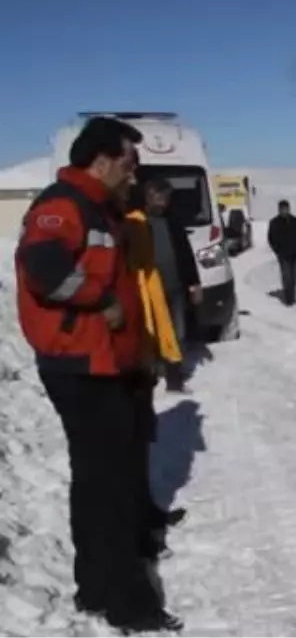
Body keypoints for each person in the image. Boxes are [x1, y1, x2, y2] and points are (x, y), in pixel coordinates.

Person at [14, 116, 184, 633]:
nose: (134, 176)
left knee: (103, 479)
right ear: (103, 159)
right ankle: (127, 602)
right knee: (104, 486)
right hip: (80, 366)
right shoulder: (63, 205)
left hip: (110, 363)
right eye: (129, 165)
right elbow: (43, 271)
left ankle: (94, 585)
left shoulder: (102, 209)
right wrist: (99, 299)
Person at [122, 179, 190, 563]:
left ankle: (147, 516)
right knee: (123, 448)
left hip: (143, 350)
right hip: (122, 352)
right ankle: (135, 537)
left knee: (139, 442)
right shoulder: (127, 225)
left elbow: (152, 297)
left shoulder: (144, 226)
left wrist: (161, 349)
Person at [140, 178, 202, 392]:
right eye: (159, 196)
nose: (163, 201)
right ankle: (153, 371)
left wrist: (194, 284)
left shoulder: (173, 222)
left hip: (175, 287)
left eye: (166, 197)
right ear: (148, 196)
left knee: (178, 332)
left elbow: (186, 254)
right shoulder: (136, 221)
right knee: (150, 332)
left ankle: (174, 375)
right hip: (147, 291)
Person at [267, 199, 296, 305]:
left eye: (286, 209)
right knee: (287, 276)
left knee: (294, 275)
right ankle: (288, 297)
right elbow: (270, 239)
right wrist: (277, 250)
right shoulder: (274, 222)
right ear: (279, 210)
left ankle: (292, 294)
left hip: (294, 252)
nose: (285, 211)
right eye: (282, 209)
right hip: (283, 254)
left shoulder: (295, 220)